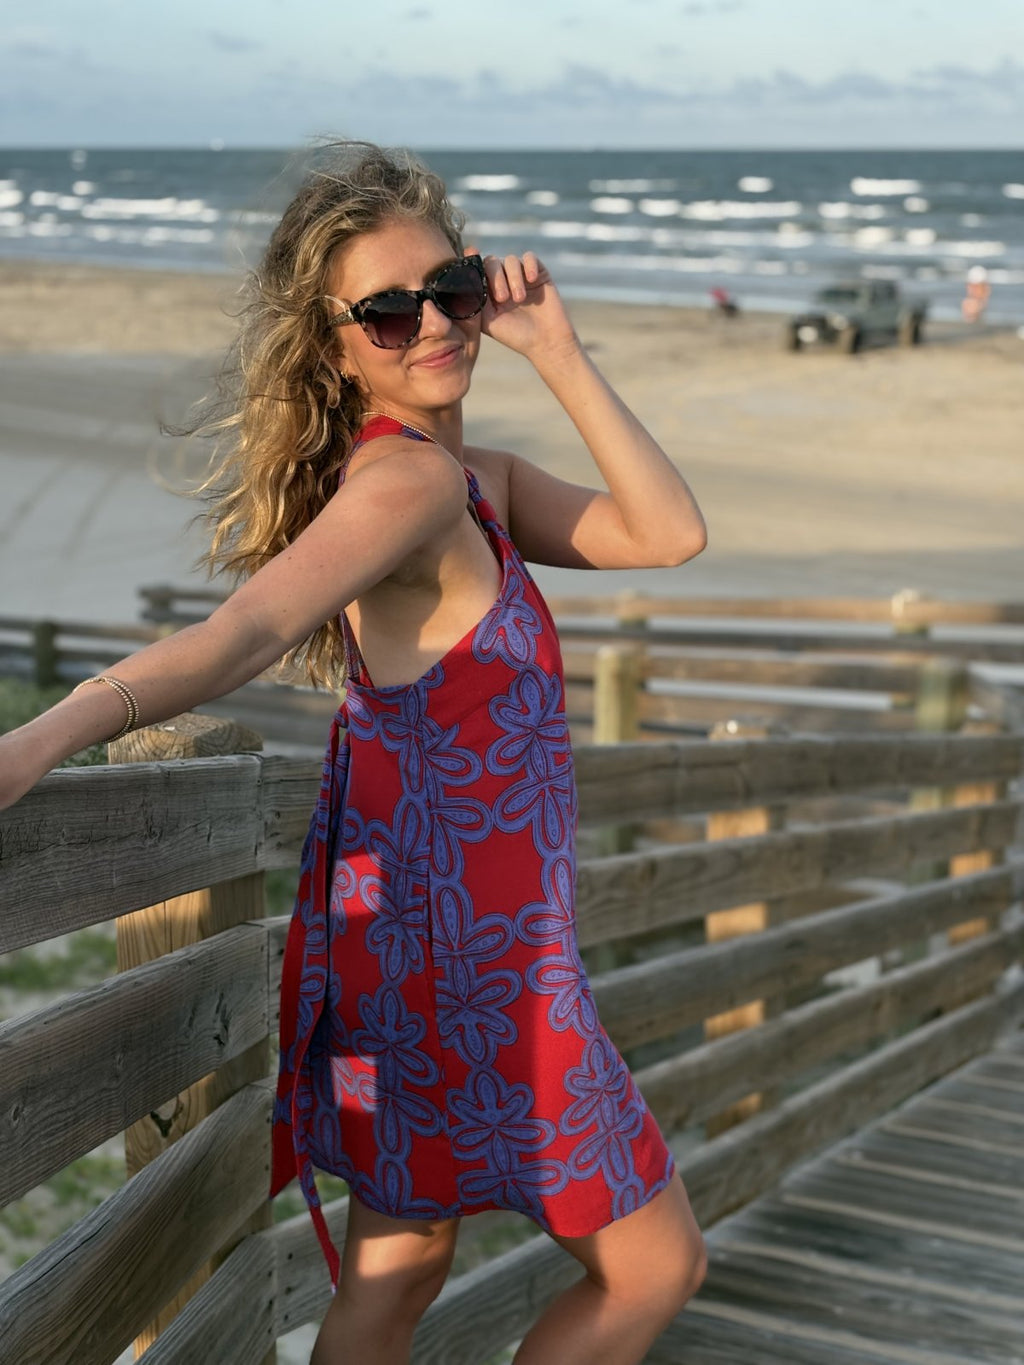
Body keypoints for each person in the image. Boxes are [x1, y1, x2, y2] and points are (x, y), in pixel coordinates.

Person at [0, 142, 708, 1365]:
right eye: (387, 310)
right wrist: (45, 733)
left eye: (455, 286)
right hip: (469, 970)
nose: (431, 322)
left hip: (446, 952)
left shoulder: (469, 477)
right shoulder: (406, 489)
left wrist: (557, 350)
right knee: (653, 1265)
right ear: (333, 345)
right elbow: (247, 630)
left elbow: (667, 531)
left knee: (400, 1268)